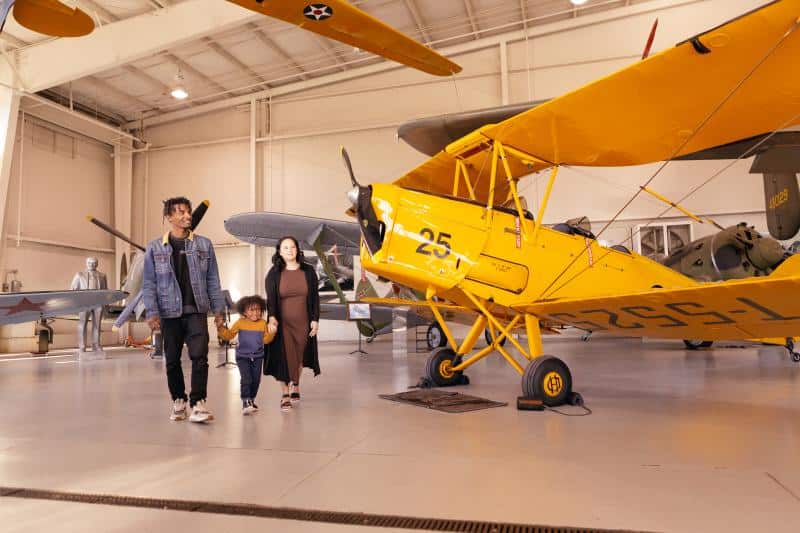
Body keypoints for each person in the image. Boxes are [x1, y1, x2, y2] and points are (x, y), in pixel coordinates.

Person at [142, 197, 225, 423]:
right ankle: (179, 400)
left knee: (200, 357)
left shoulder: (204, 245)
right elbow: (149, 283)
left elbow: (213, 280)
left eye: (188, 212)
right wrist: (151, 312)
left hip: (196, 310)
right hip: (169, 312)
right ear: (169, 217)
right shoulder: (154, 247)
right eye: (180, 212)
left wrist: (219, 312)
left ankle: (198, 404)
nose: (187, 215)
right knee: (172, 360)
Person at [264, 236, 321, 411]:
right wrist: (272, 317)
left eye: (293, 247)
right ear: (279, 251)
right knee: (284, 356)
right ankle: (284, 394)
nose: (290, 250)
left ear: (298, 250)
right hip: (282, 323)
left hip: (303, 322)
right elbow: (271, 299)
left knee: (299, 355)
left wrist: (315, 319)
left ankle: (295, 383)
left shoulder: (308, 271)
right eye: (286, 248)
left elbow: (314, 298)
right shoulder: (274, 273)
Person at [217, 296, 275, 415]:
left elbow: (266, 341)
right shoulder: (240, 323)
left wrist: (272, 333)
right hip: (242, 357)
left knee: (256, 380)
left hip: (258, 357)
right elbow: (228, 335)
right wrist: (220, 327)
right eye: (251, 310)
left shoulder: (263, 323)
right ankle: (245, 401)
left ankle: (251, 399)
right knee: (246, 378)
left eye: (258, 309)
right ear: (244, 312)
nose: (255, 312)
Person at [70, 257, 108, 352]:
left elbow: (105, 291)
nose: (91, 264)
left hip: (98, 303)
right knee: (82, 324)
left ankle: (96, 345)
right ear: (86, 263)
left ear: (97, 264)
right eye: (89, 262)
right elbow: (73, 290)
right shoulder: (79, 275)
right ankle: (82, 346)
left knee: (97, 325)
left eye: (94, 263)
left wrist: (105, 304)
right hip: (84, 303)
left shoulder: (102, 276)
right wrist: (75, 303)